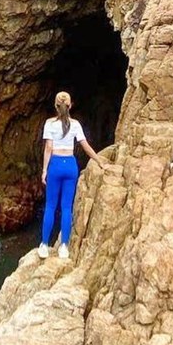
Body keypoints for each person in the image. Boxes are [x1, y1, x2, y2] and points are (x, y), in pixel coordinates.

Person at [39, 90, 103, 260]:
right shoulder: (75, 125)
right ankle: (64, 247)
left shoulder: (49, 123)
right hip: (71, 166)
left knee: (51, 206)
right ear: (70, 106)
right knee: (67, 207)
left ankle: (44, 245)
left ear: (55, 105)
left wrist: (45, 170)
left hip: (55, 165)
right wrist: (99, 160)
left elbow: (48, 148)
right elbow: (85, 145)